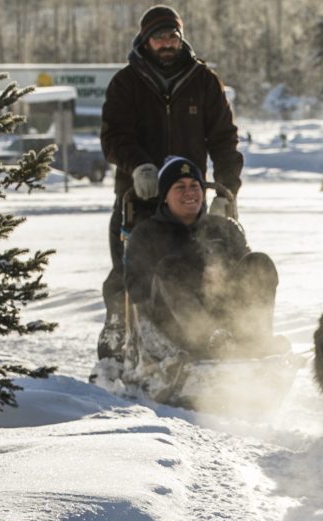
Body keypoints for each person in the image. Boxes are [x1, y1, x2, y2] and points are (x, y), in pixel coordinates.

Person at [97, 5, 244, 365]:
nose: (167, 43)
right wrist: (139, 166)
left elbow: (224, 140)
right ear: (145, 40)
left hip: (192, 196)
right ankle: (119, 344)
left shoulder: (203, 81)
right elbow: (113, 137)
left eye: (172, 36)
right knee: (131, 272)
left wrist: (226, 191)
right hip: (141, 195)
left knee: (214, 267)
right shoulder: (126, 83)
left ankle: (226, 338)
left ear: (181, 37)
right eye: (159, 37)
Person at [122, 156, 281, 375]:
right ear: (165, 196)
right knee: (170, 268)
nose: (189, 192)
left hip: (226, 318)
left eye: (195, 186)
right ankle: (211, 344)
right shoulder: (147, 234)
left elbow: (247, 272)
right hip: (170, 327)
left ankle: (256, 341)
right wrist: (195, 276)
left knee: (260, 263)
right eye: (180, 187)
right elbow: (137, 290)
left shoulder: (223, 228)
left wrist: (223, 276)